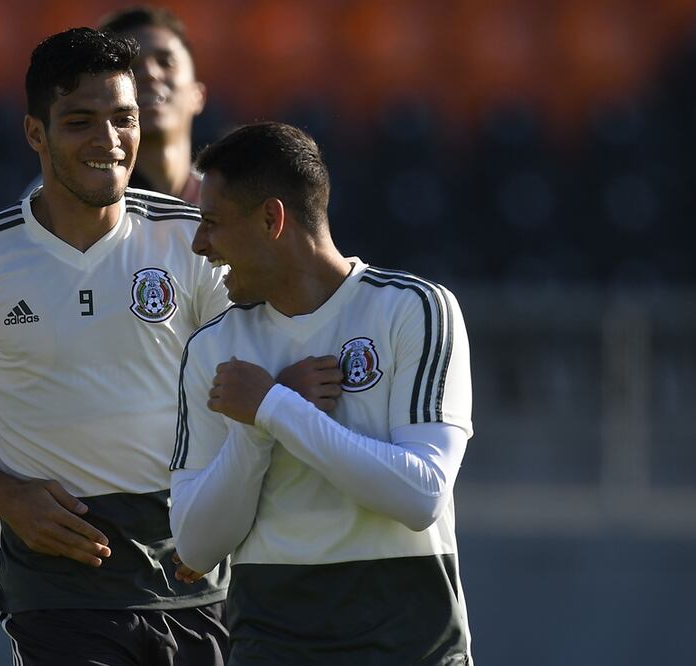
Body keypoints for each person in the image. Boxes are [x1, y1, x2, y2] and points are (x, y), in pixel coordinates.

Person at [0, 28, 230, 666]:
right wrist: (6, 496)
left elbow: (249, 387)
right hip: (57, 589)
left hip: (194, 582)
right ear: (35, 134)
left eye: (123, 119)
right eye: (80, 121)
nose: (108, 140)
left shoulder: (195, 243)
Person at [168, 122, 474, 665]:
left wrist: (271, 407)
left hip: (411, 649)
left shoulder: (414, 309)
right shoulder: (214, 346)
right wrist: (257, 426)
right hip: (272, 646)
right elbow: (196, 545)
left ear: (272, 219)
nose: (199, 245)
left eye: (211, 223)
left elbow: (420, 495)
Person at [23, 6, 207, 203]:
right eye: (133, 65)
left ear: (197, 94)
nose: (150, 73)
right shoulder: (54, 201)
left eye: (166, 62)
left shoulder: (229, 200)